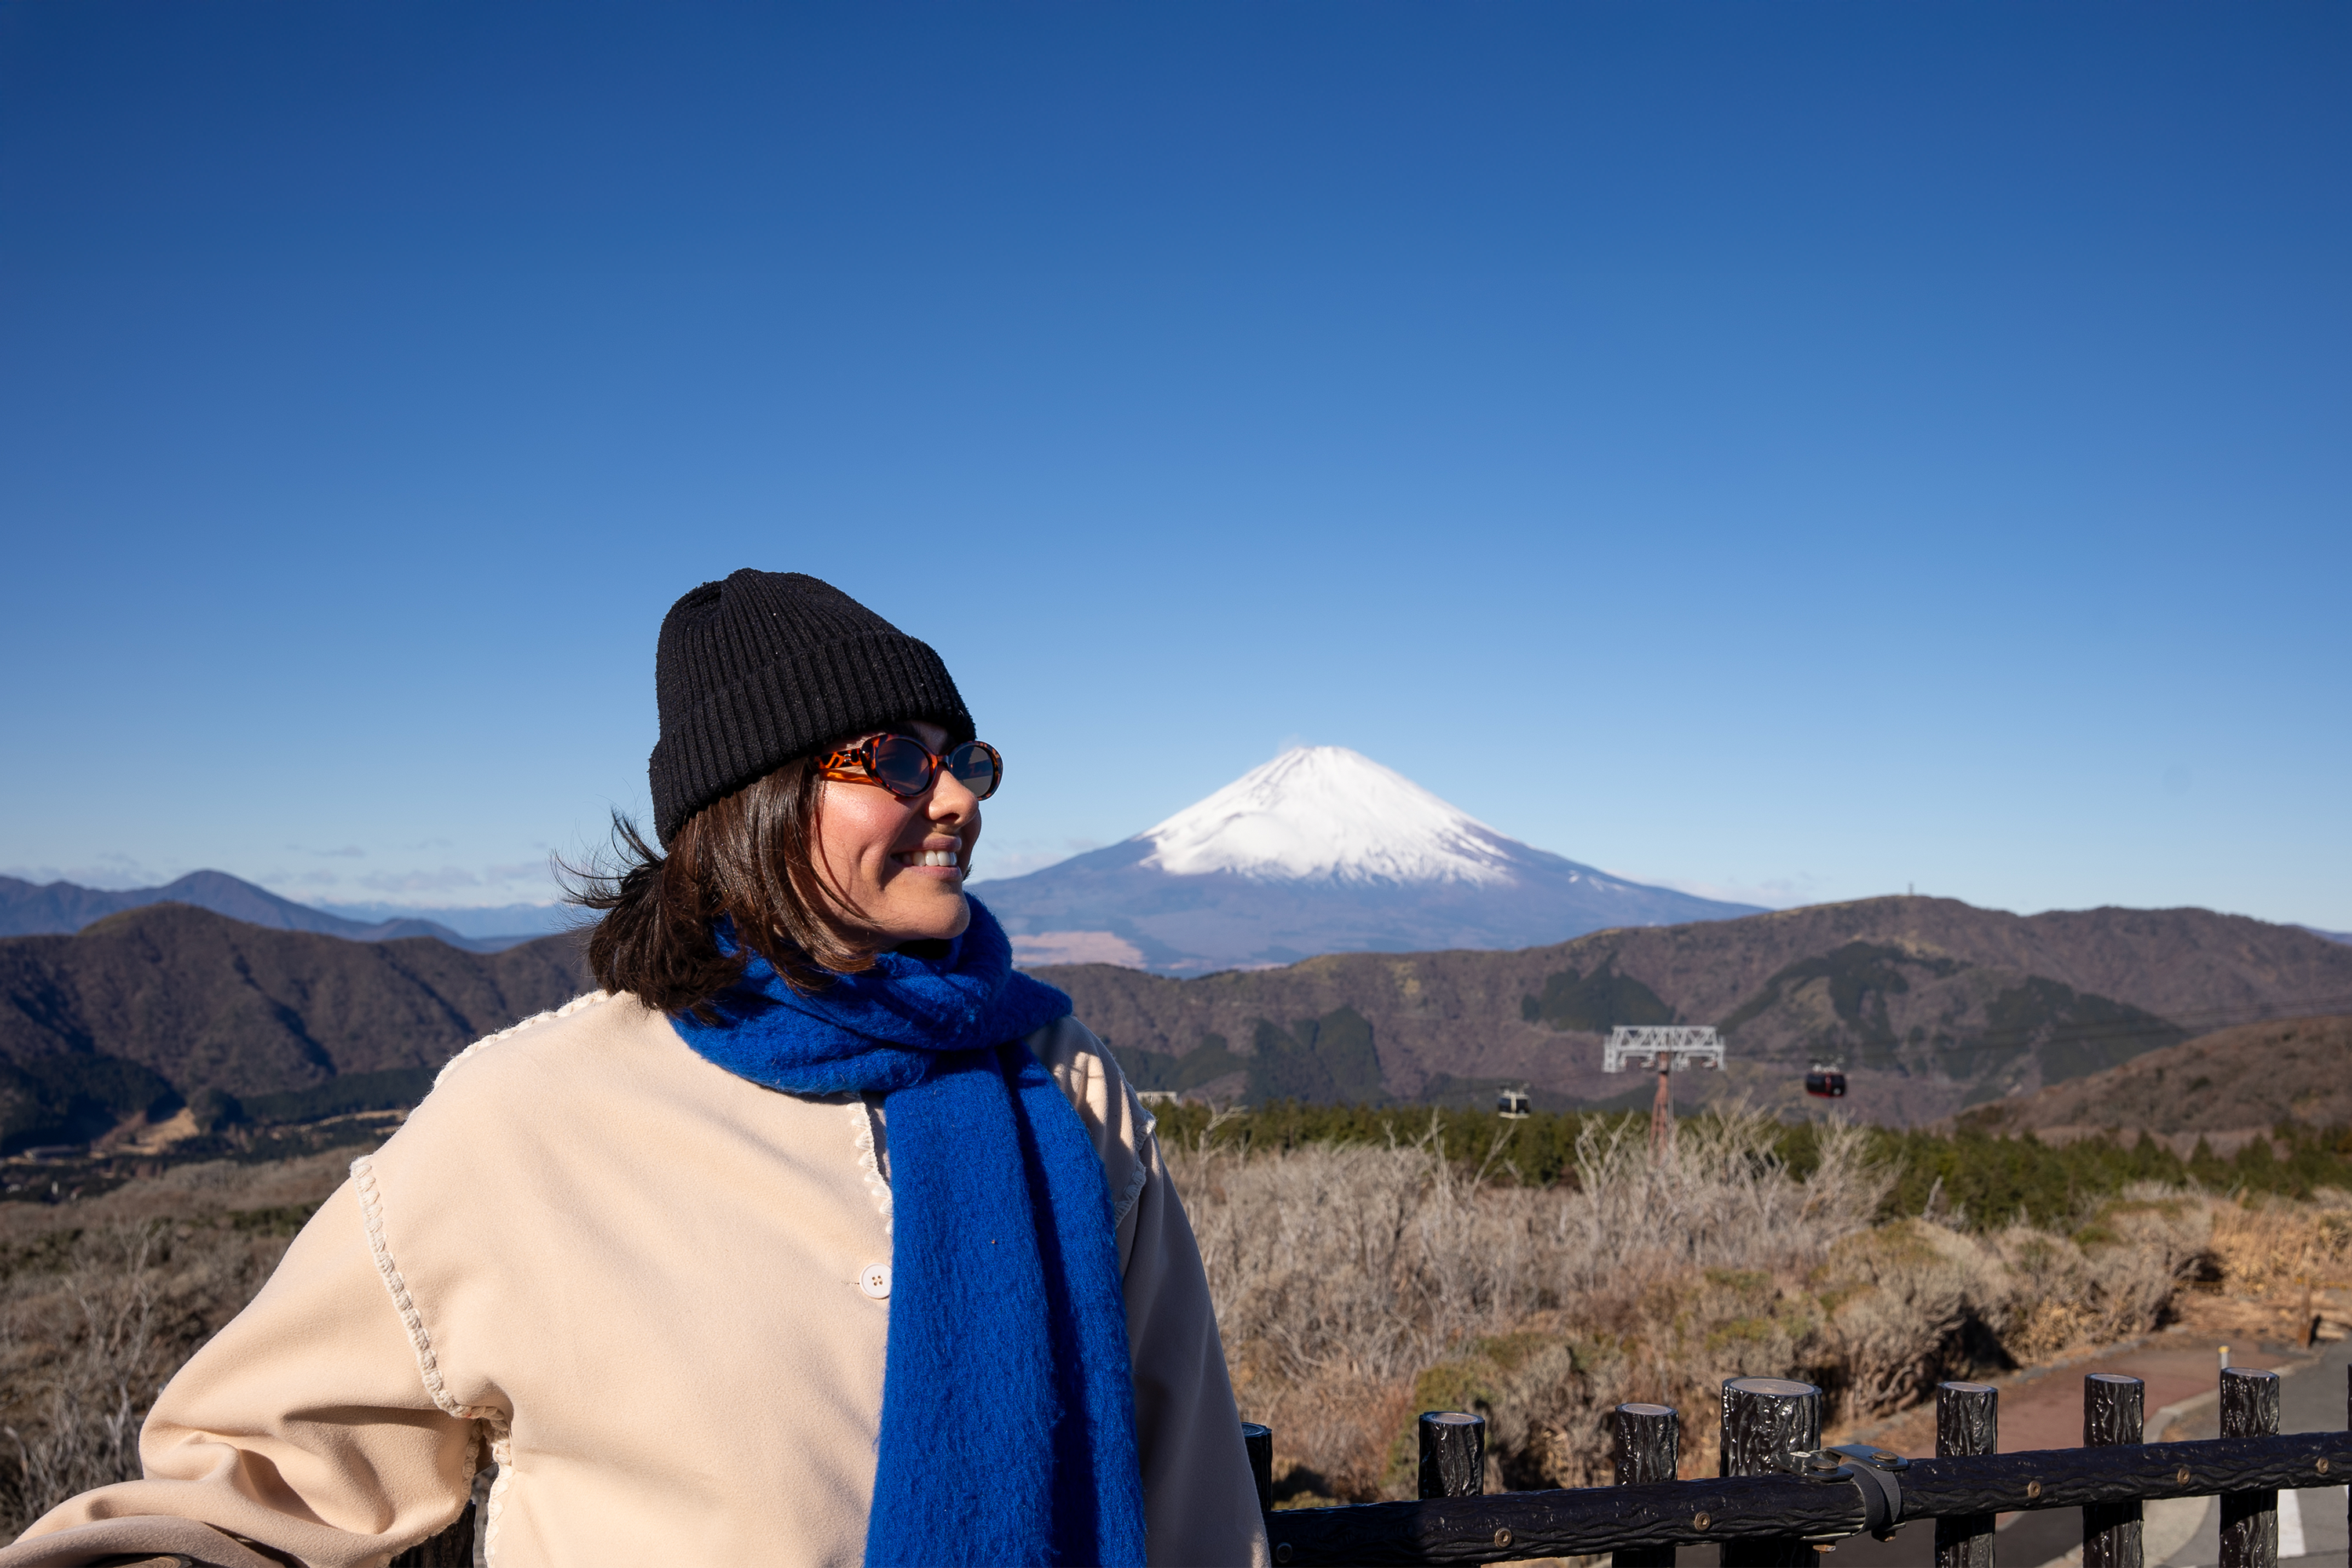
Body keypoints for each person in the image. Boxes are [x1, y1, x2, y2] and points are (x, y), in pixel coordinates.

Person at [1, 570, 1267, 1568]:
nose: (957, 799)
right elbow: (257, 1483)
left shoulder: (1062, 1081)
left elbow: (1194, 1492)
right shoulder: (528, 1123)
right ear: (756, 796)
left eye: (964, 756)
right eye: (894, 756)